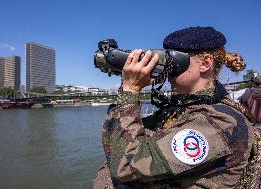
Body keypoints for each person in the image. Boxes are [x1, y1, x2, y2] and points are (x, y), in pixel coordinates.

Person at [93, 26, 261, 189]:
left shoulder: (218, 122)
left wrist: (130, 90)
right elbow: (119, 144)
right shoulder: (186, 107)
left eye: (174, 62)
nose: (168, 70)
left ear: (205, 63)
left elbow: (125, 166)